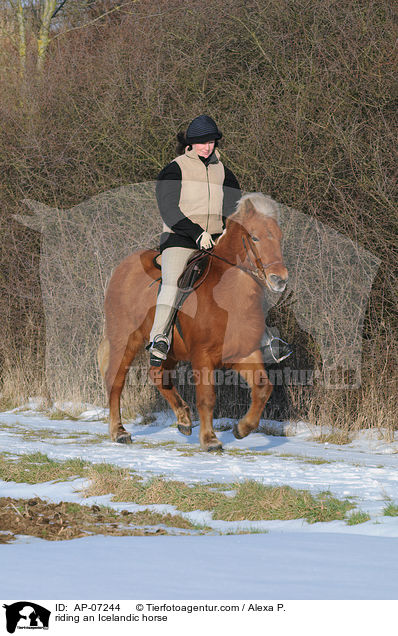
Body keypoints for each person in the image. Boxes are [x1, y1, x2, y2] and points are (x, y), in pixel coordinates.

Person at [148, 114, 291, 367]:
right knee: (171, 282)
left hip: (215, 241)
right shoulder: (174, 169)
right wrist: (195, 233)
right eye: (202, 142)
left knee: (248, 278)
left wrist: (227, 233)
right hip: (180, 240)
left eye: (211, 142)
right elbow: (169, 209)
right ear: (190, 143)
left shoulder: (224, 172)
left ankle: (267, 341)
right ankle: (159, 339)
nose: (207, 147)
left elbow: (232, 209)